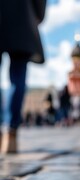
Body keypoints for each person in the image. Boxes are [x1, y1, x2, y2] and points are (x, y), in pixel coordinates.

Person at [0, 0, 47, 153]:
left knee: (17, 78)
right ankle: (11, 132)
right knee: (18, 78)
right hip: (21, 17)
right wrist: (37, 15)